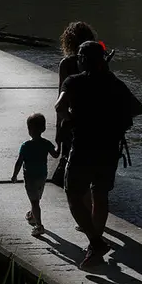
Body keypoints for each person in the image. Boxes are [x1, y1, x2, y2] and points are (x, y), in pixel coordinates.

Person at [55, 41, 142, 267]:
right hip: (109, 149)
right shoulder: (114, 84)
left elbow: (59, 106)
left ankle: (95, 242)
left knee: (74, 196)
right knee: (100, 194)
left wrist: (70, 119)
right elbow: (137, 108)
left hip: (83, 147)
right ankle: (95, 247)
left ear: (82, 60)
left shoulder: (74, 82)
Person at [52, 21, 97, 188]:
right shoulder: (99, 63)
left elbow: (60, 102)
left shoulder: (66, 63)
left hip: (72, 119)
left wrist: (59, 132)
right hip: (95, 120)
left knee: (67, 166)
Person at [12, 113, 60, 236]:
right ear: (43, 129)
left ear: (29, 130)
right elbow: (55, 155)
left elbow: (19, 162)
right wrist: (60, 145)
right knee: (36, 198)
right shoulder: (46, 143)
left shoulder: (26, 145)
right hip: (42, 176)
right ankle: (33, 214)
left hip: (30, 177)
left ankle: (39, 225)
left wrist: (14, 175)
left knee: (34, 201)